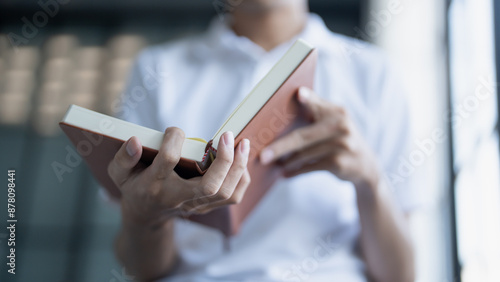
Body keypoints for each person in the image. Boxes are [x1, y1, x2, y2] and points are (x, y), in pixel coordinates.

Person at [107, 0, 419, 281]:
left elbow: (400, 275)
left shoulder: (375, 72)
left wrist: (370, 180)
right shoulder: (156, 70)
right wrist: (145, 215)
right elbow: (145, 271)